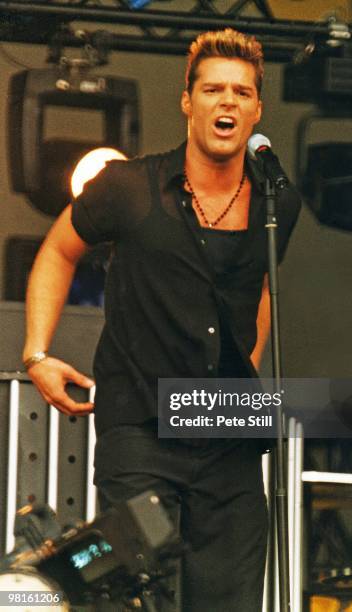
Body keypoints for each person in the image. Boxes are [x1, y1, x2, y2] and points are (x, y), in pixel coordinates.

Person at [23, 28, 300, 611]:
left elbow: (261, 285)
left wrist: (244, 368)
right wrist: (37, 355)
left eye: (241, 92)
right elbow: (57, 252)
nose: (227, 102)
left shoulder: (278, 201)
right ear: (187, 101)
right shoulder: (127, 187)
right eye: (212, 89)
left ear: (257, 109)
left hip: (228, 429)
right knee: (132, 597)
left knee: (230, 601)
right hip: (140, 425)